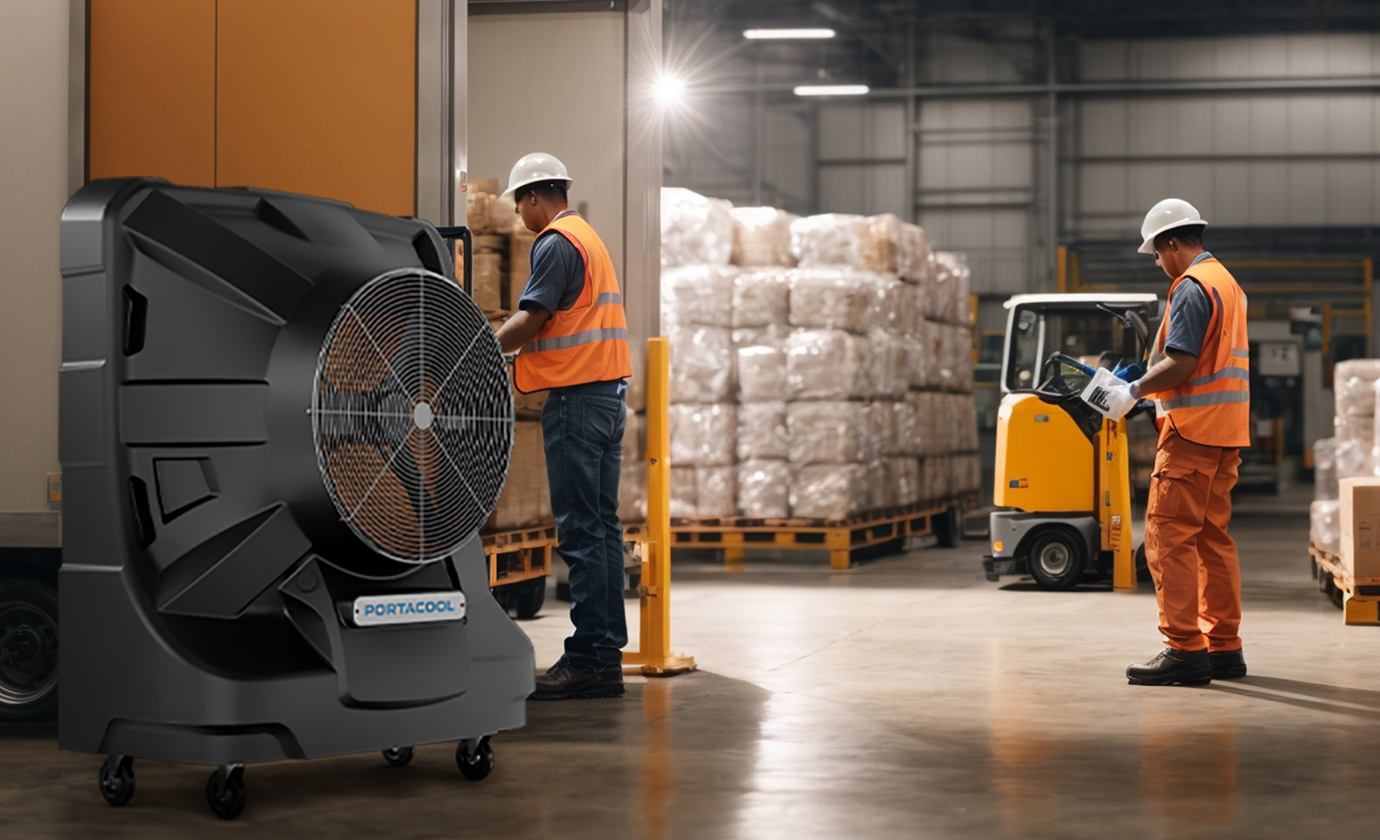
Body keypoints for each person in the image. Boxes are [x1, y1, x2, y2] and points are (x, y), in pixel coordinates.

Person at [1091, 198, 1251, 686]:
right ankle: (1223, 647)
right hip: (1226, 434)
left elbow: (1181, 362)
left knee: (1167, 540)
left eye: (1157, 253)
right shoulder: (1228, 284)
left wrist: (1131, 391)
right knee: (1212, 539)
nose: (1159, 263)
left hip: (1191, 435)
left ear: (1173, 243)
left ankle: (1184, 649)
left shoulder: (1190, 287)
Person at [493, 153, 632, 701]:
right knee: (601, 528)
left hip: (578, 401)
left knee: (580, 530)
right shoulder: (588, 238)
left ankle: (589, 658)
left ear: (532, 197)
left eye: (519, 206)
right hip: (607, 398)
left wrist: (475, 346)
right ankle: (604, 655)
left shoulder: (554, 242)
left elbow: (534, 317)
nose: (521, 218)